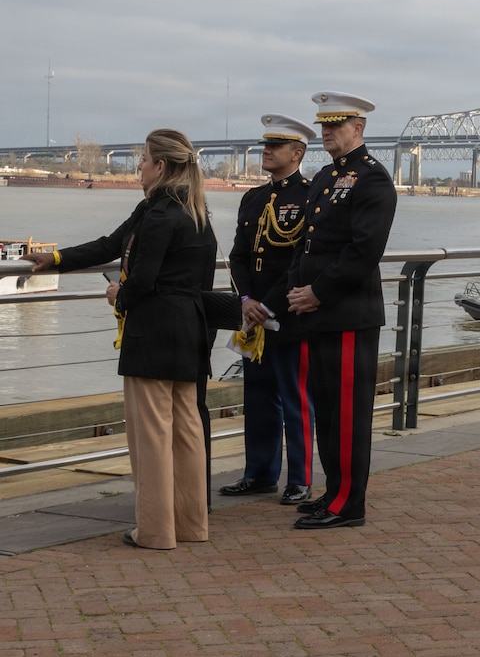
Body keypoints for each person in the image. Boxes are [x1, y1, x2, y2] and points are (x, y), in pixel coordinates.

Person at [21, 129, 216, 548]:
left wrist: (118, 293)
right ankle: (192, 525)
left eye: (143, 159)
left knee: (151, 437)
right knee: (186, 431)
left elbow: (141, 280)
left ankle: (155, 531)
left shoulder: (159, 215)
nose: (139, 167)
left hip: (152, 334)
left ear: (161, 166)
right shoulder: (195, 212)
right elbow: (111, 245)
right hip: (190, 331)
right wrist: (55, 259)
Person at [286, 91, 397, 529]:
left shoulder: (373, 180)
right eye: (323, 124)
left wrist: (318, 292)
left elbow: (363, 251)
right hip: (317, 311)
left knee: (348, 413)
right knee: (327, 409)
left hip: (349, 313)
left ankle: (349, 504)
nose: (327, 131)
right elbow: (307, 241)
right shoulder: (325, 177)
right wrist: (297, 289)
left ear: (359, 128)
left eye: (336, 123)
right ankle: (333, 492)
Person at [219, 114, 317, 505]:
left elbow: (301, 261)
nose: (267, 151)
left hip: (289, 315)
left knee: (294, 397)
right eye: (266, 145)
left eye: (276, 146)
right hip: (254, 315)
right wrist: (246, 300)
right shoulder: (253, 198)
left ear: (297, 154)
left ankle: (301, 479)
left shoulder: (310, 196)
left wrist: (269, 304)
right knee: (257, 397)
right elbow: (239, 256)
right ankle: (259, 473)